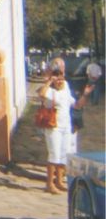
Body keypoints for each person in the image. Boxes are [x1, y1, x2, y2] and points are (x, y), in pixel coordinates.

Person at [37, 57, 93, 194]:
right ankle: (49, 183)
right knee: (54, 154)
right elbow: (41, 94)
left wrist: (85, 95)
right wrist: (50, 80)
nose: (60, 79)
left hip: (66, 126)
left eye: (62, 77)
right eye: (58, 77)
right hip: (53, 126)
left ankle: (60, 181)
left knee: (63, 154)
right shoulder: (50, 91)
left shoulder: (66, 88)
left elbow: (77, 105)